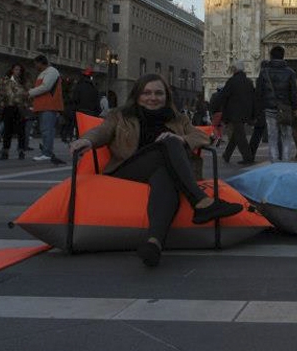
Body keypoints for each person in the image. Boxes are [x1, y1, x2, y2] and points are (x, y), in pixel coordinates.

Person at [69, 74, 244, 267]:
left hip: (160, 172)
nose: (153, 97)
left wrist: (183, 139)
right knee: (168, 142)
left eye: (159, 93)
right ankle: (200, 200)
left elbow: (204, 137)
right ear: (137, 95)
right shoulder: (120, 115)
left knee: (165, 175)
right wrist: (87, 140)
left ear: (166, 96)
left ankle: (154, 243)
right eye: (147, 93)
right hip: (129, 169)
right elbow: (102, 131)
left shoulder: (179, 119)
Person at [257, 47, 297, 162]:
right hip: (285, 108)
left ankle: (274, 162)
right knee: (286, 135)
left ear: (271, 56)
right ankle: (285, 161)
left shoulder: (264, 72)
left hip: (269, 108)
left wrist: (260, 108)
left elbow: (259, 92)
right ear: (283, 55)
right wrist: (294, 107)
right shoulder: (290, 72)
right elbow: (293, 92)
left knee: (272, 135)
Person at [212, 61, 256, 165]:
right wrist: (253, 113)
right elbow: (254, 98)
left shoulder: (232, 81)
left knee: (240, 135)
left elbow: (223, 95)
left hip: (235, 113)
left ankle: (247, 157)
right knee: (237, 134)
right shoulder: (249, 82)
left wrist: (215, 107)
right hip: (246, 112)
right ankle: (227, 154)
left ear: (235, 69)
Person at [27, 55, 63, 161]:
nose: (35, 66)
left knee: (47, 130)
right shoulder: (43, 73)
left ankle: (47, 153)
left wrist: (30, 92)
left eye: (36, 64)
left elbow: (46, 87)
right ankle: (46, 151)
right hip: (43, 105)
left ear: (41, 63)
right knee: (45, 130)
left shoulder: (51, 71)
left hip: (49, 105)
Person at [0, 63, 30, 160]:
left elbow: (28, 94)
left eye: (19, 70)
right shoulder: (5, 81)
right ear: (12, 70)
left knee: (21, 131)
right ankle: (5, 151)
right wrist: (1, 102)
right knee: (7, 131)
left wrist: (26, 104)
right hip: (9, 107)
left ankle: (21, 151)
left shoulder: (23, 82)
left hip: (20, 108)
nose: (17, 72)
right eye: (16, 69)